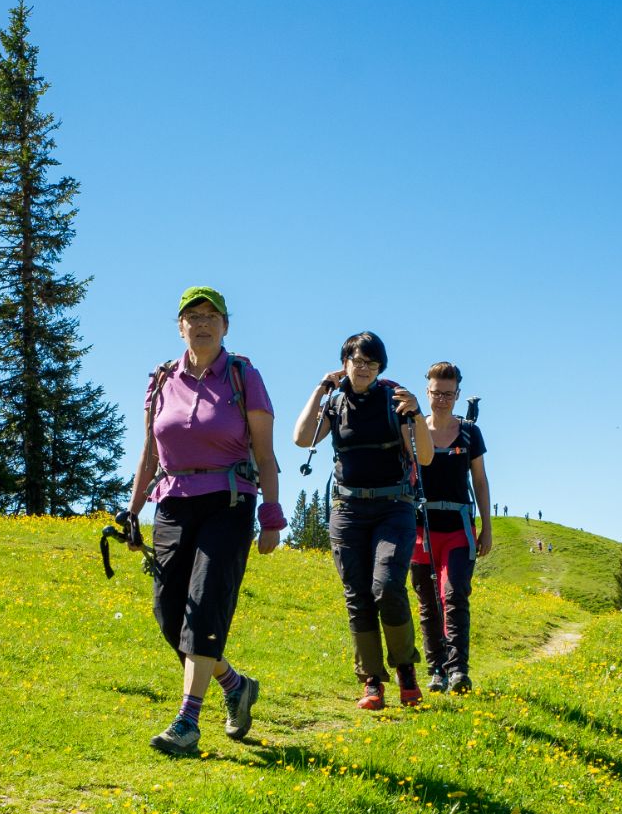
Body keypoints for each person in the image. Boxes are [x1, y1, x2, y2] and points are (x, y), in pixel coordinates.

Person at [126, 287, 284, 756]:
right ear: (180, 326)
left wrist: (271, 516)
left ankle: (187, 721)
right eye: (192, 316)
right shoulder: (160, 380)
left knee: (206, 602)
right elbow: (150, 454)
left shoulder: (242, 376)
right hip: (172, 503)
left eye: (211, 316)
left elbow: (265, 452)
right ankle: (234, 685)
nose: (202, 323)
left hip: (229, 501)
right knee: (169, 613)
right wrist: (133, 511)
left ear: (226, 326)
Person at [292, 331, 432, 709]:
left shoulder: (395, 402)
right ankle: (372, 681)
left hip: (394, 507)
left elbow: (427, 456)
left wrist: (417, 412)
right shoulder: (334, 405)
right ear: (344, 364)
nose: (364, 367)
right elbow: (302, 438)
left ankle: (405, 668)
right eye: (357, 360)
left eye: (372, 362)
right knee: (357, 595)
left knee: (387, 586)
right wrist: (320, 390)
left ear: (380, 366)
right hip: (348, 510)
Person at [409, 362, 491, 693]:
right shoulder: (413, 431)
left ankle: (458, 670)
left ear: (457, 394)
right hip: (420, 530)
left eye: (448, 393)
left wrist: (486, 527)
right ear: (426, 392)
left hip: (458, 527)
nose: (441, 399)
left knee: (454, 593)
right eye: (435, 392)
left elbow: (480, 481)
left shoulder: (470, 433)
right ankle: (436, 671)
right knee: (428, 602)